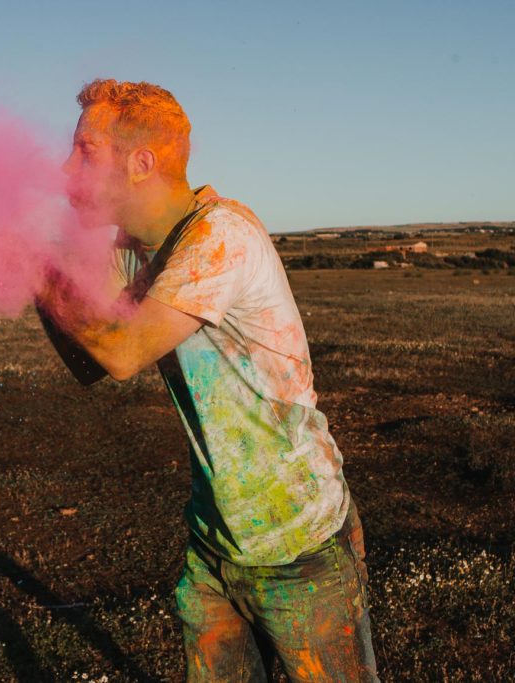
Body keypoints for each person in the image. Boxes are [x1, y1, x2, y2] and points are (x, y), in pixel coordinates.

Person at [35, 80, 379, 681]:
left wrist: (35, 271)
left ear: (141, 163)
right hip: (214, 542)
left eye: (85, 151)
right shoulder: (131, 249)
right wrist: (37, 275)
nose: (66, 168)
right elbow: (89, 364)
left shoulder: (220, 236)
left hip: (298, 542)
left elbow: (121, 351)